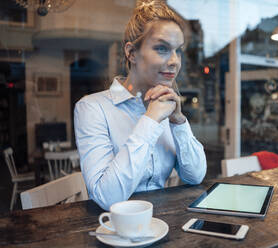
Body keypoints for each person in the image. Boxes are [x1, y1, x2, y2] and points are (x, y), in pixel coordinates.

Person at [74, 0, 207, 210]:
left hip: (164, 226)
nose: (175, 61)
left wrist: (178, 122)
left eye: (178, 51)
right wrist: (151, 120)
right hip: (114, 229)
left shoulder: (165, 106)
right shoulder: (91, 108)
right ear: (131, 53)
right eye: (162, 48)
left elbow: (195, 176)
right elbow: (106, 197)